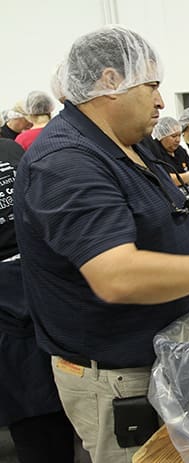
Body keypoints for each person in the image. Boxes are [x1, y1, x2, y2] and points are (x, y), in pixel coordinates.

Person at [13, 26, 189, 463]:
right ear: (111, 82)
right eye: (152, 86)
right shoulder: (65, 161)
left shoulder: (133, 146)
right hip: (118, 378)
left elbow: (162, 223)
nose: (160, 101)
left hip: (164, 357)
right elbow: (116, 275)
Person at [0, 137, 76, 463]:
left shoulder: (9, 148)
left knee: (59, 393)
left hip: (42, 275)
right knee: (32, 411)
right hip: (7, 300)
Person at [144, 116, 189, 186]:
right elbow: (164, 178)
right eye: (173, 136)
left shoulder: (180, 150)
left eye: (179, 136)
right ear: (162, 136)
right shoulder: (153, 151)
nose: (178, 140)